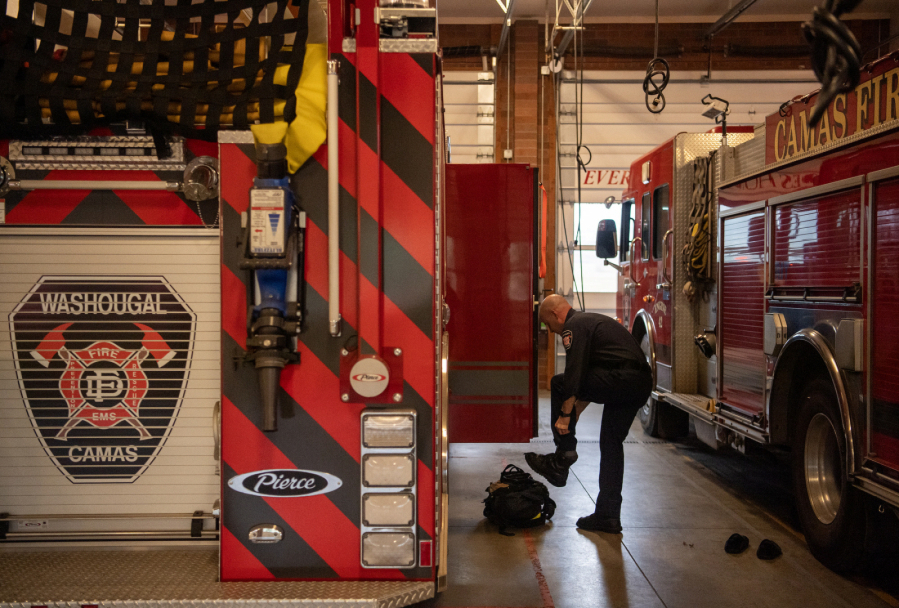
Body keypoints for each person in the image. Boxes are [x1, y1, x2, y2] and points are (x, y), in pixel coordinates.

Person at [525, 294, 653, 534]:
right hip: (638, 382)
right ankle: (608, 516)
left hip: (623, 379)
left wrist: (565, 415)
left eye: (548, 324)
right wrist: (578, 406)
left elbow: (574, 372)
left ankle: (562, 456)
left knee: (559, 383)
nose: (551, 331)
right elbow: (597, 370)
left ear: (555, 314)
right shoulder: (589, 323)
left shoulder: (572, 326)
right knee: (611, 444)